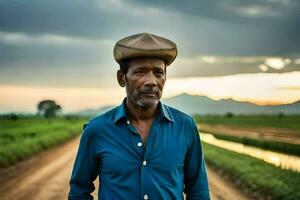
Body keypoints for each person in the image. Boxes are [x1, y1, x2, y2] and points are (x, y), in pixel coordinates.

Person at [68, 32, 210, 200]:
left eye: (158, 73)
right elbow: (79, 190)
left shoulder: (185, 126)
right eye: (140, 72)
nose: (151, 81)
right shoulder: (97, 130)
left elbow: (198, 191)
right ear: (122, 78)